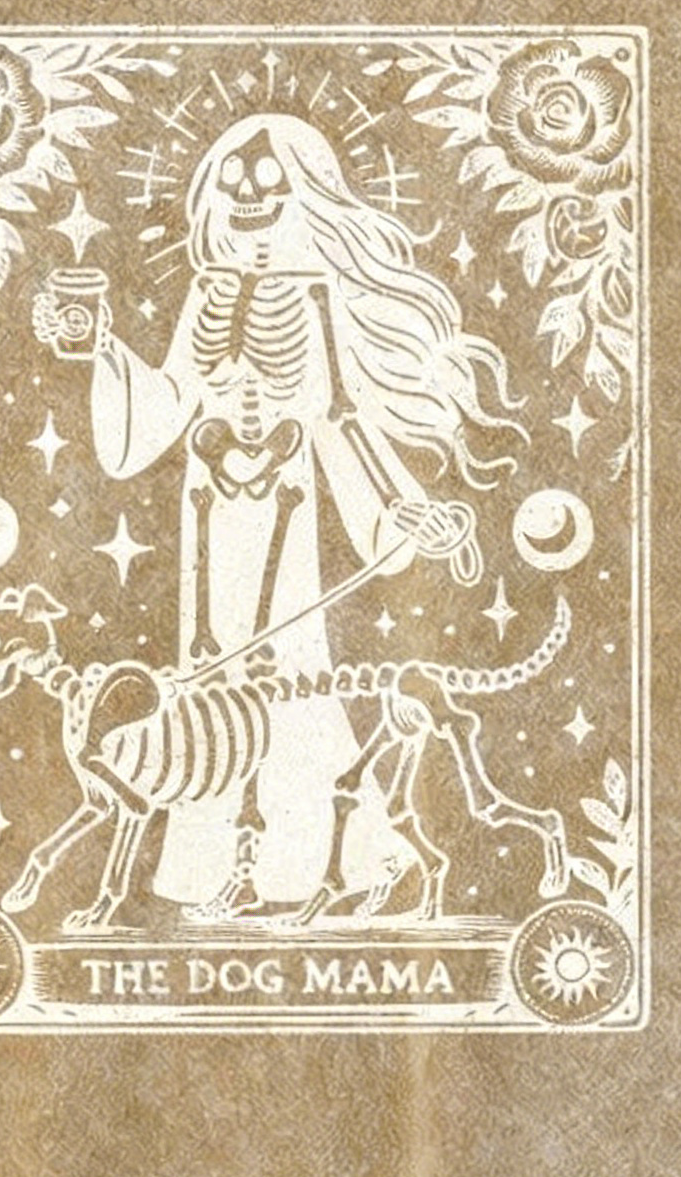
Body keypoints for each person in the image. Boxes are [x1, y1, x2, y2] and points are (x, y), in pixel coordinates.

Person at [36, 110, 522, 919]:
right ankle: (214, 870)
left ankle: (332, 863)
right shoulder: (207, 292)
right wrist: (102, 350)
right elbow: (164, 408)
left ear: (306, 192)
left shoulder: (319, 296)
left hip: (286, 514)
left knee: (288, 685)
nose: (249, 197)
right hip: (207, 513)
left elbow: (340, 417)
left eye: (268, 182)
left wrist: (402, 508)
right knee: (208, 685)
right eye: (232, 183)